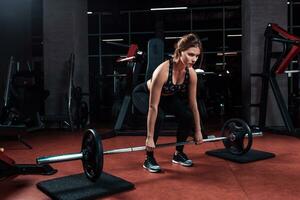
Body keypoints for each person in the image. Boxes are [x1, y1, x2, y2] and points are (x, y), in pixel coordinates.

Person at [132, 33, 204, 173]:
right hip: (143, 94)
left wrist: (198, 131)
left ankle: (178, 154)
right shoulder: (163, 71)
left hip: (167, 96)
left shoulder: (191, 73)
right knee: (159, 115)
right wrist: (149, 138)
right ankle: (149, 158)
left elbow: (193, 104)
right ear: (180, 51)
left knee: (187, 115)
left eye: (196, 56)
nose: (194, 59)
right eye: (190, 54)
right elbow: (153, 107)